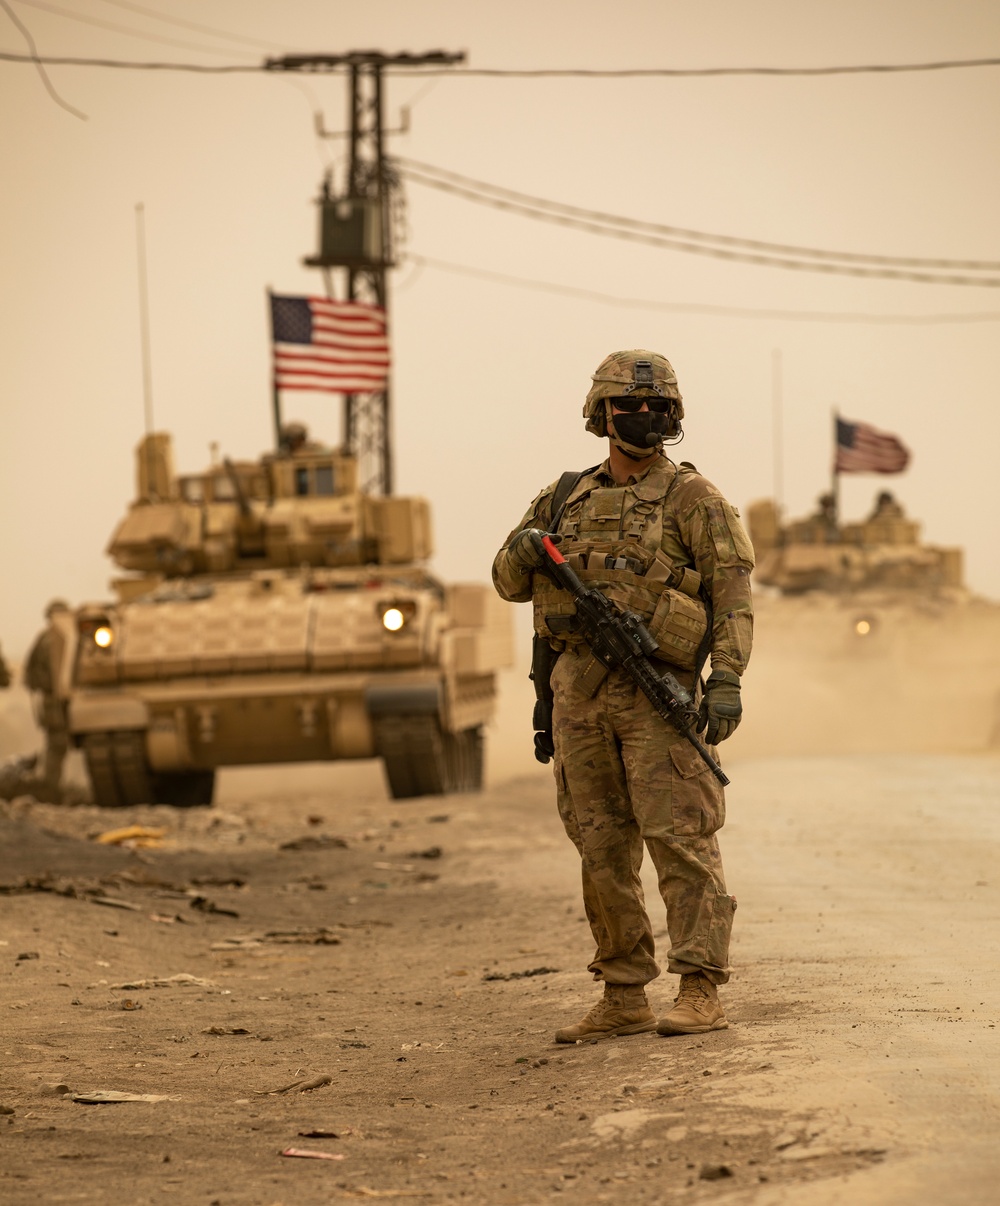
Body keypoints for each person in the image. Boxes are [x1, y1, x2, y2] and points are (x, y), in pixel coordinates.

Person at [492, 350, 754, 1043]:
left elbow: (732, 599)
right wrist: (525, 547)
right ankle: (624, 992)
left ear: (675, 417)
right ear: (601, 415)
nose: (645, 418)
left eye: (658, 408)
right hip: (577, 691)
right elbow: (509, 581)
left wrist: (725, 679)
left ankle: (700, 987)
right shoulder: (562, 496)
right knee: (601, 848)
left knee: (682, 840)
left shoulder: (694, 499)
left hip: (657, 689)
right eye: (630, 407)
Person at [23, 600, 71, 790]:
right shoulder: (45, 640)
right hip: (54, 702)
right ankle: (51, 788)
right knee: (57, 746)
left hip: (72, 701)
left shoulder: (72, 636)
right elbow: (31, 675)